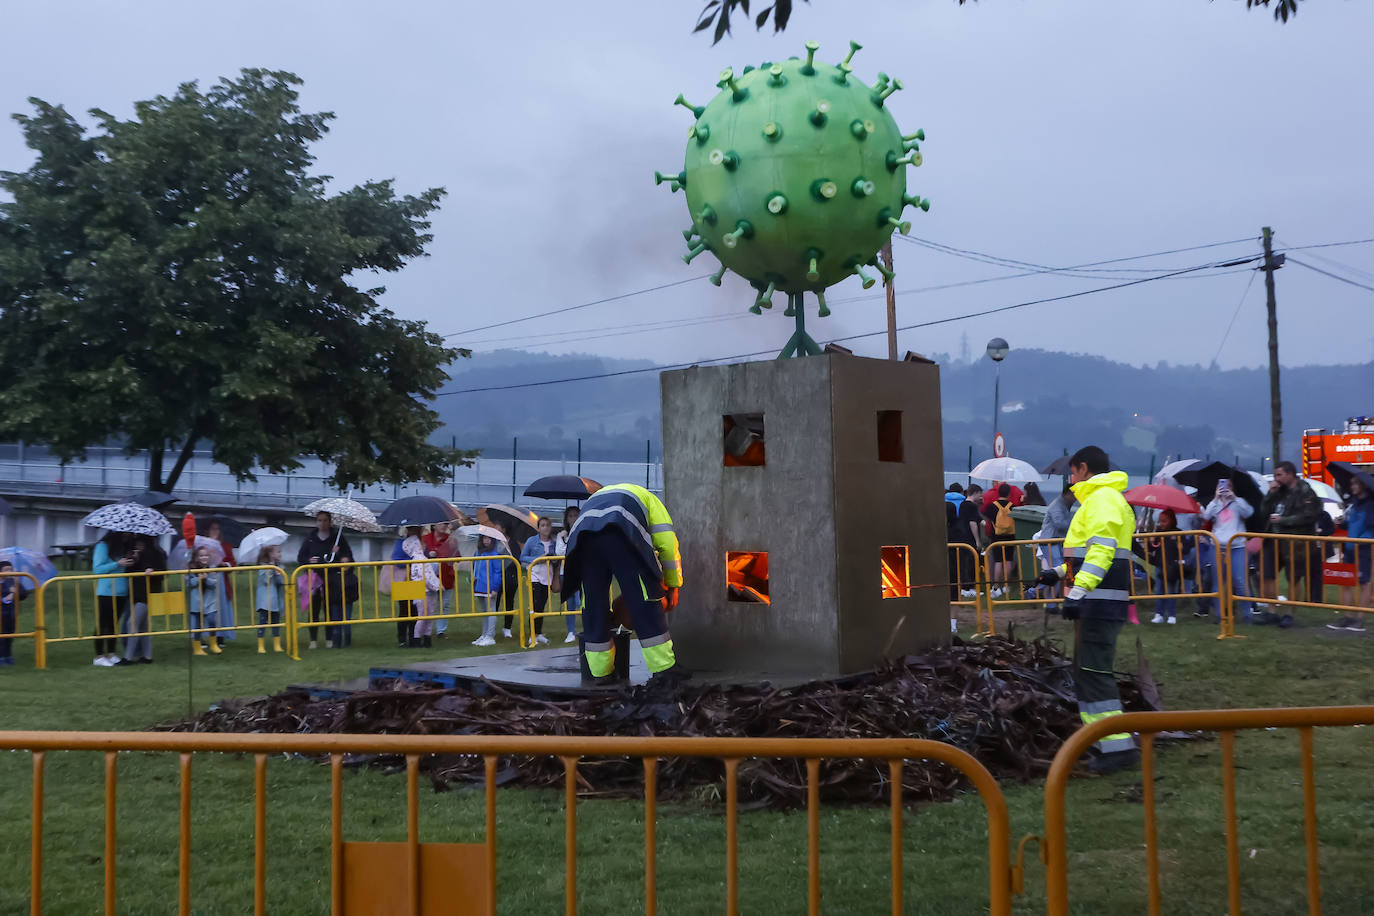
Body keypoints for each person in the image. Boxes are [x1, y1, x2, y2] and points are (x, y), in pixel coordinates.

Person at [1036, 446, 1139, 773]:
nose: (1070, 478)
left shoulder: (1101, 500)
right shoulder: (1103, 499)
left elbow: (1102, 552)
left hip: (1098, 603)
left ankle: (1117, 747)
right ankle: (1103, 741)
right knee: (1088, 672)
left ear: (1082, 468)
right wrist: (1059, 573)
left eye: (1072, 471)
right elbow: (1089, 555)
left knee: (1094, 674)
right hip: (1098, 602)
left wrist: (1077, 592)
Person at [561, 483, 685, 685]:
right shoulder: (651, 500)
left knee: (593, 604)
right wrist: (673, 585)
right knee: (644, 598)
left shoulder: (597, 499)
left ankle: (601, 674)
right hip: (621, 531)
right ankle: (664, 669)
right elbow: (667, 546)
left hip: (582, 538)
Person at [1257, 461, 1321, 627]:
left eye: (1279, 475)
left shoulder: (1305, 491)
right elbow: (1263, 511)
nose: (1276, 478)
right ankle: (1271, 611)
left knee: (1293, 578)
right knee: (1267, 575)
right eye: (1275, 475)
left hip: (1295, 542)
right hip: (1273, 539)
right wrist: (1270, 494)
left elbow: (1309, 516)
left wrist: (1283, 520)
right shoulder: (1279, 491)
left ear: (1290, 474)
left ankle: (1289, 614)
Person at [1201, 478, 1255, 624]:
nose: (1224, 488)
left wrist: (1234, 498)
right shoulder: (1215, 504)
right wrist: (1215, 498)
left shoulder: (1238, 502)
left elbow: (1248, 513)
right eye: (1221, 485)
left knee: (1240, 580)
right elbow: (1206, 516)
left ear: (1232, 488)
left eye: (1227, 486)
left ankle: (1247, 615)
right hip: (1217, 546)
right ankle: (1220, 616)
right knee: (1218, 581)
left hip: (1237, 546)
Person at [297, 511, 353, 649]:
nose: (322, 523)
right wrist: (309, 561)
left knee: (329, 610)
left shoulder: (337, 538)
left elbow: (348, 558)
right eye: (319, 520)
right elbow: (301, 557)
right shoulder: (310, 538)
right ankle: (313, 640)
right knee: (314, 610)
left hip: (332, 579)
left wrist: (339, 554)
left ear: (330, 522)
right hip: (314, 580)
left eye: (325, 520)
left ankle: (329, 639)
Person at [1329, 476, 1373, 632]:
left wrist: (1361, 541)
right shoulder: (1354, 503)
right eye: (1352, 483)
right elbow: (1352, 524)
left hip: (1364, 549)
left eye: (1356, 483)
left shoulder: (1370, 504)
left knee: (1364, 582)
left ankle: (1360, 618)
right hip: (1349, 548)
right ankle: (1348, 616)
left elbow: (1371, 528)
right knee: (1346, 581)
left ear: (1364, 485)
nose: (1352, 486)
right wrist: (1342, 523)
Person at [120, 535, 165, 665]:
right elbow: (128, 573)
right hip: (136, 594)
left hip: (147, 595)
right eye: (137, 543)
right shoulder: (135, 554)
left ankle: (128, 658)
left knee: (132, 623)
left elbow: (162, 573)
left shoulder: (156, 554)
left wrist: (153, 571)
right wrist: (133, 559)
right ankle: (147, 656)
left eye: (141, 543)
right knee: (143, 625)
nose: (138, 546)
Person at [92, 531, 134, 667]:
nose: (128, 535)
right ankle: (99, 656)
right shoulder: (102, 546)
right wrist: (117, 564)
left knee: (114, 624)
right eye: (125, 534)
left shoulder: (124, 547)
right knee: (103, 623)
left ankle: (111, 653)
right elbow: (97, 569)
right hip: (106, 591)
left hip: (121, 591)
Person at [401, 527, 443, 648]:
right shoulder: (421, 560)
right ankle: (419, 639)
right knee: (425, 616)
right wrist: (437, 586)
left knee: (426, 616)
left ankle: (424, 639)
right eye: (422, 543)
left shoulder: (417, 559)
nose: (425, 545)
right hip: (426, 591)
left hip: (422, 591)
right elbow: (427, 577)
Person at [521, 517, 559, 645]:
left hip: (548, 577)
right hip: (534, 576)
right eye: (543, 525)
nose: (546, 528)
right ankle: (532, 635)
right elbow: (523, 557)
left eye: (548, 525)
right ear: (538, 528)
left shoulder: (554, 542)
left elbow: (556, 559)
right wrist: (538, 558)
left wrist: (553, 559)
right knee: (535, 606)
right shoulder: (532, 541)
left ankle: (538, 633)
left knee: (541, 606)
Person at [1144, 509, 1185, 625]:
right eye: (1160, 521)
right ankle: (1159, 614)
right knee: (1159, 590)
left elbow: (1186, 548)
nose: (1161, 523)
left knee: (1171, 590)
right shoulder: (1157, 532)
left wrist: (1181, 547)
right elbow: (1152, 549)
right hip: (1159, 565)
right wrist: (1150, 541)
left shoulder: (1178, 532)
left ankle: (1172, 615)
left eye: (1164, 521)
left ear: (1171, 520)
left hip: (1173, 566)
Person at [186, 545, 223, 656]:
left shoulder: (212, 568)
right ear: (196, 557)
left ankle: (213, 643)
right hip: (196, 601)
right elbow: (188, 583)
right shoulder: (191, 569)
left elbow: (215, 583)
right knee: (197, 625)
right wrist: (199, 579)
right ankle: (197, 647)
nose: (204, 558)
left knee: (212, 620)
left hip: (210, 600)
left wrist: (206, 579)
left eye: (206, 555)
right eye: (201, 555)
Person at [205, 519, 237, 646]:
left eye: (217, 529)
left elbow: (233, 563)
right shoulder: (203, 545)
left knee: (221, 609)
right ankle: (204, 636)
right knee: (207, 608)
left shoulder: (225, 546)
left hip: (221, 581)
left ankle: (220, 637)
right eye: (212, 529)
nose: (215, 531)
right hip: (206, 579)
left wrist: (225, 564)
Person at [982, 483, 1019, 597]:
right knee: (1008, 561)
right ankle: (1006, 586)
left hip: (996, 537)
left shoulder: (992, 506)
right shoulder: (1013, 507)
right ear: (1009, 494)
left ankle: (996, 587)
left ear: (998, 493)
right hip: (1010, 537)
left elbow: (987, 518)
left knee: (998, 561)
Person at [422, 522, 457, 639]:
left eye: (446, 524)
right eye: (441, 523)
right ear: (434, 525)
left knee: (444, 604)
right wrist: (428, 554)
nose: (444, 526)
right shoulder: (425, 539)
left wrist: (452, 555)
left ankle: (440, 631)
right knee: (426, 604)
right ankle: (424, 629)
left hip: (446, 577)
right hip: (428, 578)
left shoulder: (450, 540)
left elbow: (457, 557)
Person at [471, 534, 505, 647]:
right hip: (479, 586)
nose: (486, 541)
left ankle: (490, 636)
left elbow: (497, 572)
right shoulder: (478, 553)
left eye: (489, 538)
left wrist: (495, 588)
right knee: (484, 611)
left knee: (491, 610)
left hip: (489, 587)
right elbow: (474, 567)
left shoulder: (495, 554)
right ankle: (484, 634)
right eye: (484, 538)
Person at [555, 506, 582, 643]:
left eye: (575, 515)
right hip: (564, 573)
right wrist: (566, 538)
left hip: (580, 572)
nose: (573, 518)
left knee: (580, 602)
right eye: (570, 516)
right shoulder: (562, 535)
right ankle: (571, 631)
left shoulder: (583, 532)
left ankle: (587, 628)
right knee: (569, 603)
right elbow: (560, 552)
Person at [256, 544, 287, 653]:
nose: (280, 554)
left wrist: (277, 573)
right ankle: (260, 645)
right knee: (263, 622)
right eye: (278, 552)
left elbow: (281, 582)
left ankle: (276, 644)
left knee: (276, 622)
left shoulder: (280, 567)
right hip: (265, 600)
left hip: (276, 600)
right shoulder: (262, 567)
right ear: (270, 554)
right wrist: (270, 569)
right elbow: (266, 580)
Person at [956, 485, 985, 598]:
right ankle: (969, 587)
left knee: (965, 563)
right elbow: (973, 523)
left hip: (962, 536)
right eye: (980, 494)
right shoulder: (972, 506)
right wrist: (977, 540)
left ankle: (965, 587)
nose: (981, 497)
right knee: (972, 563)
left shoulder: (963, 504)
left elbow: (979, 519)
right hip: (970, 538)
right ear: (976, 493)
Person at [0, 561, 18, 666]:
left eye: (11, 569)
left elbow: (23, 594)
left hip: (11, 613)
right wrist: (6, 598)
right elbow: (5, 598)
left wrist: (15, 589)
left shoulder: (12, 581)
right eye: (6, 570)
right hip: (1, 613)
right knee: (1, 636)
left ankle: (8, 655)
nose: (9, 571)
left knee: (10, 635)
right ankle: (1, 657)